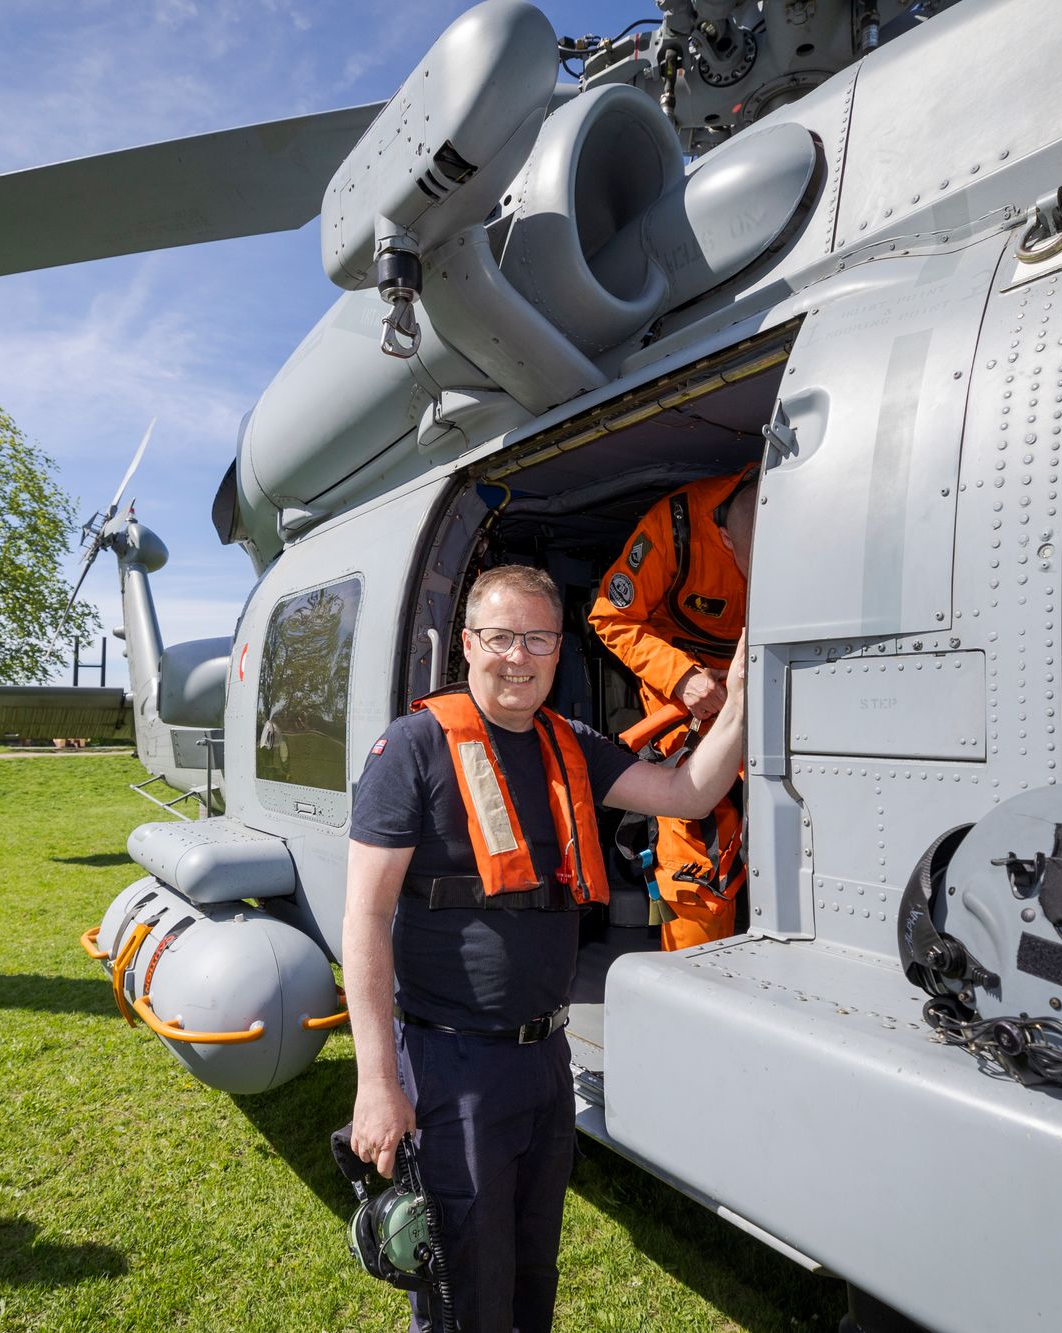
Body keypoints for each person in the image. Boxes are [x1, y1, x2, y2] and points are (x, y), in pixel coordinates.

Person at [343, 563, 746, 1331]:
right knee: (465, 1285)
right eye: (500, 636)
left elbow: (687, 792)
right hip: (448, 1064)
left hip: (545, 1062)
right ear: (467, 643)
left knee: (532, 1272)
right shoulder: (414, 748)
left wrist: (744, 698)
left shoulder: (572, 745)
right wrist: (375, 1080)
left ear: (559, 650)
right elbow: (363, 918)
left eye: (538, 638)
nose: (518, 656)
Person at [588, 468, 756, 950]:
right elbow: (610, 616)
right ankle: (700, 983)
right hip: (684, 692)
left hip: (766, 681)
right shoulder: (675, 527)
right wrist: (684, 679)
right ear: (724, 539)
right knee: (699, 854)